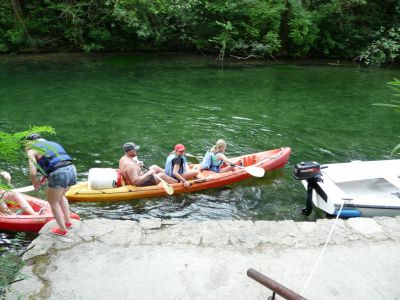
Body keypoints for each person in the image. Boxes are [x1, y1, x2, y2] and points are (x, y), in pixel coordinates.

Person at [26, 133, 77, 236]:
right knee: (61, 196)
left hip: (59, 173)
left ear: (29, 143)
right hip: (72, 169)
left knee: (53, 202)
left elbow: (33, 172)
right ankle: (67, 222)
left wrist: (35, 183)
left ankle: (62, 230)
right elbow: (58, 161)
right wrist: (46, 175)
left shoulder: (31, 150)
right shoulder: (53, 144)